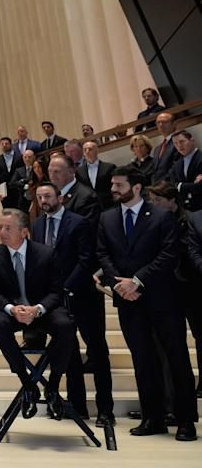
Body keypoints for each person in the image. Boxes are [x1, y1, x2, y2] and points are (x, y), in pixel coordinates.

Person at [96, 166, 197, 440]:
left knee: (176, 359)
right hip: (128, 301)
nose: (113, 189)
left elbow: (169, 255)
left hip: (163, 300)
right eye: (113, 184)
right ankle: (152, 418)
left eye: (119, 185)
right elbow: (103, 254)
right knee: (143, 361)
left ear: (136, 187)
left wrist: (137, 281)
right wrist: (120, 284)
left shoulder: (162, 216)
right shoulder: (107, 218)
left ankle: (186, 421)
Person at [31, 182, 113, 424]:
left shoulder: (79, 222)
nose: (43, 201)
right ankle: (77, 406)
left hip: (84, 295)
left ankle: (105, 409)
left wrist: (65, 287)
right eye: (39, 197)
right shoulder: (37, 225)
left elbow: (86, 259)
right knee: (69, 353)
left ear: (60, 198)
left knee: (97, 351)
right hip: (57, 301)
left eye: (47, 196)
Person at [0, 208, 75, 418]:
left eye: (8, 228)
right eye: (0, 227)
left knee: (65, 324)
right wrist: (12, 309)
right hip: (12, 311)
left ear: (24, 232)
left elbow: (56, 291)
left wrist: (37, 309)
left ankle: (53, 385)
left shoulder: (46, 253)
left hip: (42, 309)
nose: (2, 232)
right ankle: (27, 384)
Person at [146, 182, 202, 406]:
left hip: (191, 287)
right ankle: (168, 399)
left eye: (158, 200)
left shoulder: (188, 220)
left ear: (172, 200)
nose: (154, 204)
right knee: (166, 345)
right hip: (166, 289)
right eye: (152, 200)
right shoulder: (154, 221)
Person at [48, 153, 98, 221]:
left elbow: (85, 225)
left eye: (56, 171)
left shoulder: (87, 197)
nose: (52, 176)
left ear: (71, 171)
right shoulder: (51, 196)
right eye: (49, 171)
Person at [77, 140, 116, 209]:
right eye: (85, 150)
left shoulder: (109, 167)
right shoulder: (79, 171)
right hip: (89, 207)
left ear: (97, 151)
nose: (87, 152)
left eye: (90, 149)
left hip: (109, 205)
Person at [169, 130, 202, 212]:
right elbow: (172, 183)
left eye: (182, 141)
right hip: (185, 208)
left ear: (192, 140)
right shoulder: (177, 163)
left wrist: (180, 186)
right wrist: (189, 185)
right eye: (175, 143)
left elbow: (199, 186)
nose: (179, 146)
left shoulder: (200, 158)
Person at [151, 112, 182, 182]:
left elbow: (176, 167)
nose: (161, 125)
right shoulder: (157, 149)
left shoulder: (179, 142)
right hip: (156, 185)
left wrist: (161, 183)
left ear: (174, 124)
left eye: (164, 122)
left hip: (171, 184)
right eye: (158, 122)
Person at [0, 138, 21, 210]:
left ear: (11, 145)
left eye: (6, 143)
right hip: (4, 191)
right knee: (7, 211)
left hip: (18, 190)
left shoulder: (19, 157)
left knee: (20, 211)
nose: (4, 145)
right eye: (2, 144)